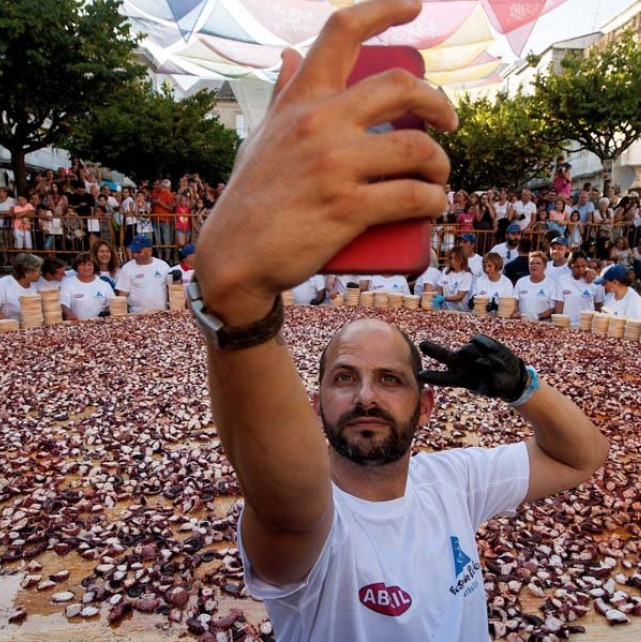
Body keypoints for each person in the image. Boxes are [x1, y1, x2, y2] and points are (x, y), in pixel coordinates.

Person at [191, 4, 609, 638]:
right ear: (314, 404)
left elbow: (584, 456)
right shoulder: (309, 522)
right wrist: (237, 299)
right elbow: (288, 502)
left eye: (391, 379)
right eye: (344, 378)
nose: (365, 394)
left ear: (427, 405)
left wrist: (525, 387)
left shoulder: (455, 481)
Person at [0, 253, 41, 330]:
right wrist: (12, 323)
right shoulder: (3, 284)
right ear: (27, 272)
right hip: (2, 331)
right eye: (37, 270)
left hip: (26, 330)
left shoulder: (35, 285)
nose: (40, 273)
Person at [115, 235, 171, 313]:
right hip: (137, 316)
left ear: (149, 251)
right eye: (133, 252)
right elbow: (122, 296)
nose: (134, 255)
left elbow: (171, 290)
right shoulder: (127, 268)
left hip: (161, 314)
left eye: (138, 252)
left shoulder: (163, 266)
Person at [551, 251, 603, 324]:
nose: (581, 269)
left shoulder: (595, 281)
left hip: (588, 327)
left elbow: (599, 306)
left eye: (583, 266)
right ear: (569, 266)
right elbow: (559, 307)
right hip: (567, 326)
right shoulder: (562, 280)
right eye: (576, 267)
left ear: (587, 265)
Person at [60, 253, 115, 320]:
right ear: (76, 267)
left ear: (94, 267)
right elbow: (63, 304)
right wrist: (69, 315)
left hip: (100, 324)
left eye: (89, 265)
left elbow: (112, 304)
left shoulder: (104, 285)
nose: (86, 268)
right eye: (82, 265)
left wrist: (107, 313)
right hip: (76, 324)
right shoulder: (67, 283)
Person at [514, 251, 554, 320]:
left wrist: (537, 316)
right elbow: (514, 302)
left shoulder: (551, 284)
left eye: (538, 263)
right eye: (531, 263)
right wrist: (516, 313)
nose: (534, 266)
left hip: (542, 323)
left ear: (545, 266)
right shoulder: (521, 282)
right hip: (521, 323)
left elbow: (553, 308)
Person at [435, 246, 473, 311]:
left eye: (456, 258)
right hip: (445, 310)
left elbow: (460, 296)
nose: (452, 261)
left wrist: (444, 298)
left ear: (462, 259)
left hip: (461, 311)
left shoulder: (467, 275)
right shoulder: (445, 271)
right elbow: (440, 287)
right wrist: (436, 296)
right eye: (451, 258)